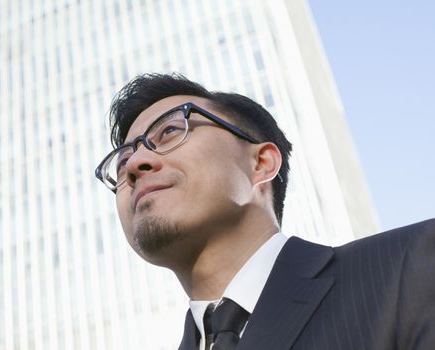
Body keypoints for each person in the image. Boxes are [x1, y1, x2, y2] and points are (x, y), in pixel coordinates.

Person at [94, 73, 435, 349]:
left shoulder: (412, 267)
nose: (136, 163)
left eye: (169, 131)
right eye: (123, 162)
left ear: (261, 163)